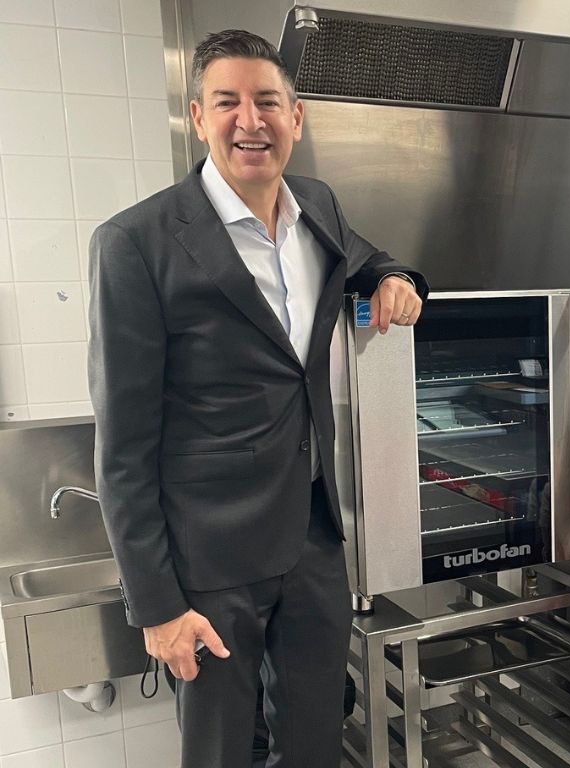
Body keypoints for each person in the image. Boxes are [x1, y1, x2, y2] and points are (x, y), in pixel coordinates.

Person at [88, 29, 428, 767]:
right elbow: (122, 446)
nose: (252, 121)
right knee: (220, 753)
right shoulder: (136, 243)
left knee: (312, 746)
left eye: (268, 102)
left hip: (312, 541)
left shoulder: (318, 208)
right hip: (208, 564)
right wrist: (155, 607)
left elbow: (370, 259)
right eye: (229, 102)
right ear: (199, 116)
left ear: (296, 118)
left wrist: (396, 279)